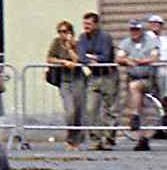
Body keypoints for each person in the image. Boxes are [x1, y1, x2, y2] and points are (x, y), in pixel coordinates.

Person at [77, 11, 119, 150]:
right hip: (93, 76)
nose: (86, 26)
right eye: (84, 24)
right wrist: (91, 58)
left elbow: (106, 56)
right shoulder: (82, 37)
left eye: (88, 24)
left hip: (109, 76)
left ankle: (109, 138)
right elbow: (81, 56)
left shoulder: (105, 37)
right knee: (90, 108)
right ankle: (95, 139)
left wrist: (93, 58)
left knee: (110, 109)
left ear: (96, 24)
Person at [45, 19, 88, 147]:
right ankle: (70, 139)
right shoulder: (56, 43)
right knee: (70, 111)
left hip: (78, 80)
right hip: (64, 81)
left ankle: (77, 140)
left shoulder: (78, 43)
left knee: (79, 111)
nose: (62, 34)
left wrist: (70, 48)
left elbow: (78, 60)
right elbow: (49, 58)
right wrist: (63, 62)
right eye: (60, 32)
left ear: (71, 32)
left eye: (64, 31)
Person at [120, 20, 161, 151]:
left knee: (135, 88)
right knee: (141, 105)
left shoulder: (150, 41)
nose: (134, 32)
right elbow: (119, 57)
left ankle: (135, 115)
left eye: (137, 30)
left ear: (142, 30)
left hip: (148, 79)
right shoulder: (126, 42)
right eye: (132, 30)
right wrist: (126, 60)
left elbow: (155, 57)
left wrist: (139, 61)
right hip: (132, 78)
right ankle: (142, 139)